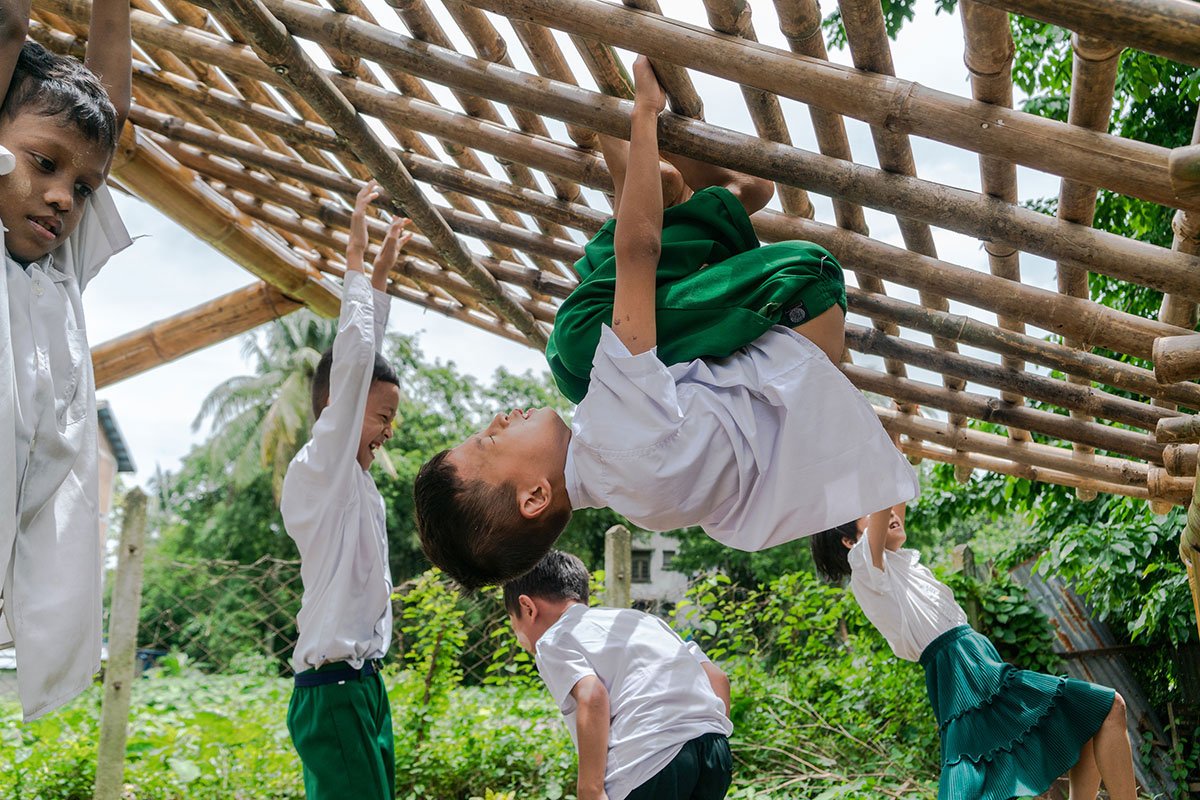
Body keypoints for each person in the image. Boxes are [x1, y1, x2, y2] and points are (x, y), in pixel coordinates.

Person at [414, 57, 918, 590]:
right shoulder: (618, 440)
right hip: (799, 294)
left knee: (577, 362)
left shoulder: (630, 492)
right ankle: (672, 189)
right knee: (578, 340)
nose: (496, 421)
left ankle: (694, 198)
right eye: (489, 443)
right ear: (535, 496)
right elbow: (639, 255)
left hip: (794, 337)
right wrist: (642, 114)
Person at [810, 502, 1139, 800]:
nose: (890, 512)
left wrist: (891, 440)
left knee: (1088, 716)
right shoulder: (868, 574)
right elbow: (883, 487)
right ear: (849, 542)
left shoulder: (902, 565)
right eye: (871, 510)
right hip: (961, 677)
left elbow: (894, 486)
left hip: (982, 666)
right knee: (1105, 708)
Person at [0, 0, 134, 720]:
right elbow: (7, 29)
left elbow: (108, 113)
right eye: (44, 164)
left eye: (81, 188)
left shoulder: (58, 272)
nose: (62, 197)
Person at [280, 181, 409, 799]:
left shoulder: (354, 483)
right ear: (339, 408)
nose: (389, 428)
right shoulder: (319, 468)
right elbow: (355, 357)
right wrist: (358, 260)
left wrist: (382, 273)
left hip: (361, 683)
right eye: (382, 415)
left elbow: (366, 355)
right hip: (332, 690)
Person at [505, 550, 733, 800]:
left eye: (512, 623)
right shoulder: (643, 620)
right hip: (714, 751)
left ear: (527, 608)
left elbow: (592, 696)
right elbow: (717, 678)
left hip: (649, 760)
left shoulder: (553, 639)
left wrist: (590, 791)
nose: (518, 636)